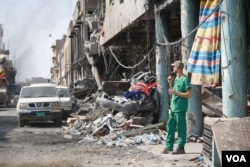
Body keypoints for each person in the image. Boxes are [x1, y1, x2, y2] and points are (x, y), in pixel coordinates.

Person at [162, 60, 192, 154]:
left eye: (174, 67)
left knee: (181, 128)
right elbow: (173, 91)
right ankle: (169, 146)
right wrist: (170, 83)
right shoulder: (175, 79)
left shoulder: (185, 79)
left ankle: (180, 147)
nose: (173, 68)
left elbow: (189, 94)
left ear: (178, 68)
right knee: (170, 127)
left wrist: (176, 93)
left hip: (180, 107)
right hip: (173, 107)